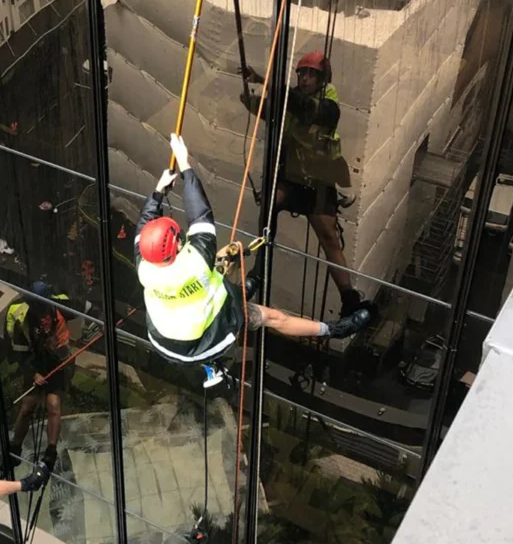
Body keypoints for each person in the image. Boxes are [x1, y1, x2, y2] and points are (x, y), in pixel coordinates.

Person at [135, 134, 370, 370]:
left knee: (216, 278)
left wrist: (158, 190)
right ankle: (334, 330)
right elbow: (200, 213)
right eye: (179, 237)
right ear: (176, 246)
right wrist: (185, 164)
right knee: (273, 318)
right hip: (208, 338)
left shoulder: (145, 265)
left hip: (165, 342)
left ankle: (244, 290)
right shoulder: (195, 262)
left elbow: (144, 224)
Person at [241, 51, 365, 315]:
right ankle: (257, 272)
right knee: (268, 214)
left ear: (323, 79)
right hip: (292, 177)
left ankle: (349, 297)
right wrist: (252, 100)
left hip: (317, 181)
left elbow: (304, 109)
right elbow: (275, 110)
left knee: (329, 237)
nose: (306, 78)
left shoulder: (328, 107)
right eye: (302, 73)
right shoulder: (292, 102)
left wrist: (263, 80)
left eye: (312, 74)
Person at [3, 280, 72, 472]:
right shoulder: (22, 318)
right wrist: (33, 373)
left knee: (54, 406)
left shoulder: (57, 307)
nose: (40, 309)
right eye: (36, 305)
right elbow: (21, 352)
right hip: (35, 363)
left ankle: (50, 451)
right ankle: (15, 446)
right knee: (27, 407)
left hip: (57, 363)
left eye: (42, 304)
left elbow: (83, 306)